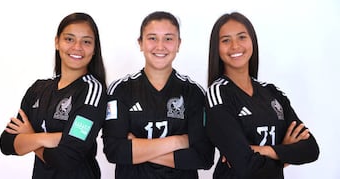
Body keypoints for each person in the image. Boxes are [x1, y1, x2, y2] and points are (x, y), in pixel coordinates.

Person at [205, 12, 320, 179]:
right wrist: (285, 153)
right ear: (216, 48)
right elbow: (245, 165)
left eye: (242, 37)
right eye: (226, 40)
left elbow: (311, 149)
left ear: (252, 41)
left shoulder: (272, 92)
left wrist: (264, 150)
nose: (235, 46)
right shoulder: (217, 95)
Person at [102, 11, 214, 179]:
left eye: (168, 38)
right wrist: (179, 141)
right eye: (152, 38)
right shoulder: (120, 90)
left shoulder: (194, 92)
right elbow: (115, 151)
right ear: (140, 43)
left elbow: (203, 157)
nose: (160, 46)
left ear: (178, 44)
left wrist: (138, 149)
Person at [0, 12, 107, 179]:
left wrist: (29, 137)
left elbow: (67, 159)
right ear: (57, 42)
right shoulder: (38, 89)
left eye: (86, 41)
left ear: (94, 49)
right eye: (69, 39)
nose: (77, 47)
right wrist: (48, 138)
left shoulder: (92, 91)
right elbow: (6, 143)